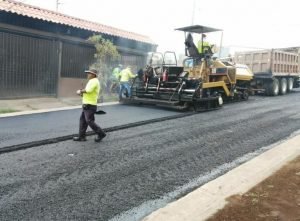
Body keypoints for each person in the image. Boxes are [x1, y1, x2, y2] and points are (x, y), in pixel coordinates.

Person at [73, 69, 106, 142]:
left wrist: (80, 91)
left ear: (94, 75)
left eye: (89, 73)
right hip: (87, 104)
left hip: (90, 105)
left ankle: (101, 133)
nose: (88, 74)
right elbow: (88, 92)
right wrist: (82, 94)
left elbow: (89, 90)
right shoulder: (92, 81)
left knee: (89, 121)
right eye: (87, 73)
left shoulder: (94, 81)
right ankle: (82, 137)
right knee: (83, 120)